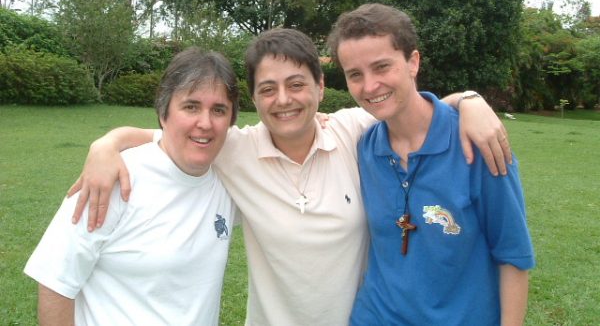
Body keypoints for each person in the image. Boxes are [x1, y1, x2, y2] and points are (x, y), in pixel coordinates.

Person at [68, 28, 512, 325]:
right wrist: (105, 144)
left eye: (297, 84)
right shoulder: (232, 149)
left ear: (321, 87)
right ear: (255, 100)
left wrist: (469, 100)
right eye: (267, 89)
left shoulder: (355, 130)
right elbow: (168, 135)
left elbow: (411, 108)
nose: (284, 100)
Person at [327, 3, 535, 325]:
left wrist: (468, 99)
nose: (369, 86)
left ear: (413, 62)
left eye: (382, 67)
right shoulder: (364, 147)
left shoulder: (479, 145)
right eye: (355, 75)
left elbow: (513, 256)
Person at [24, 48, 239, 325]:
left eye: (218, 110)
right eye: (191, 106)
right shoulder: (112, 180)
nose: (205, 123)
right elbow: (56, 283)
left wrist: (315, 121)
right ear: (164, 113)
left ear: (231, 120)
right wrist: (108, 143)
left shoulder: (230, 177)